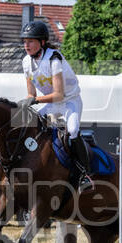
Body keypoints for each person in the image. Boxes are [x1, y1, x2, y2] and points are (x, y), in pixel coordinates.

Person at [17, 20, 91, 189]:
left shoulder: (54, 59)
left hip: (70, 101)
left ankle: (85, 174)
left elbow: (58, 95)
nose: (26, 45)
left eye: (30, 41)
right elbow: (31, 93)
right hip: (52, 104)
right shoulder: (25, 62)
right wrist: (26, 102)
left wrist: (34, 101)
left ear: (42, 42)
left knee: (72, 130)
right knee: (28, 125)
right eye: (25, 41)